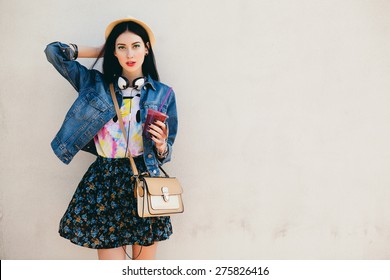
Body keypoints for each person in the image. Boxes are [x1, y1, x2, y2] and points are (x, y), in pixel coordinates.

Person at [44, 17, 178, 260]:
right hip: (104, 181)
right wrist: (102, 51)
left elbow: (166, 152)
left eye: (136, 46)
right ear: (113, 51)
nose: (130, 53)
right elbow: (54, 52)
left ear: (147, 49)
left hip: (145, 178)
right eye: (121, 47)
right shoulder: (94, 84)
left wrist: (161, 145)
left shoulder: (163, 93)